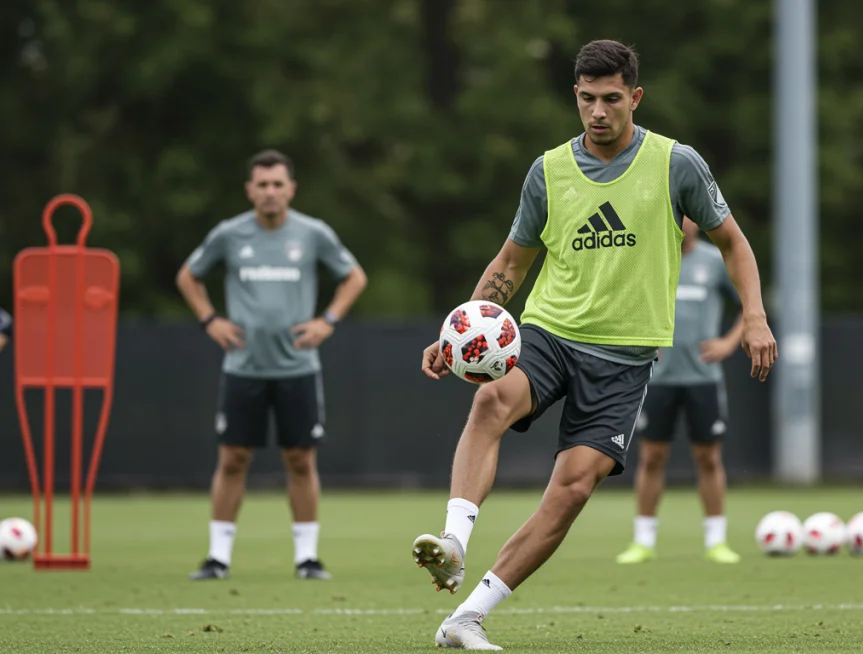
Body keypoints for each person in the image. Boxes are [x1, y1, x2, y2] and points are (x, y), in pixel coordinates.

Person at [412, 39, 777, 649]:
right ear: (574, 98)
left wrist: (757, 317)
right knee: (489, 401)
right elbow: (511, 261)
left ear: (634, 97)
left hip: (626, 358)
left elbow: (734, 242)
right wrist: (459, 333)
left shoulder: (674, 163)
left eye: (612, 99)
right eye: (587, 99)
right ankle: (453, 541)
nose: (599, 111)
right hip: (550, 332)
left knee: (574, 487)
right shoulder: (548, 170)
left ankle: (465, 618)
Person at [176, 149, 368, 581]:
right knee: (233, 458)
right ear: (250, 190)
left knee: (300, 459)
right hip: (243, 367)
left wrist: (328, 320)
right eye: (262, 184)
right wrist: (210, 320)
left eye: (277, 184)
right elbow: (188, 275)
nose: (270, 192)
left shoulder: (312, 233)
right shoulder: (230, 234)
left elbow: (354, 276)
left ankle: (307, 559)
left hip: (298, 368)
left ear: (291, 189)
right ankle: (217, 558)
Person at [614, 216, 744, 566]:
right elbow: (624, 304)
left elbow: (750, 304)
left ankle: (716, 541)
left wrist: (729, 344)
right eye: (677, 214)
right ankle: (643, 541)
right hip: (658, 379)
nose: (684, 222)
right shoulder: (648, 259)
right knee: (652, 458)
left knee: (709, 458)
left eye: (689, 215)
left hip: (703, 378)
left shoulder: (714, 262)